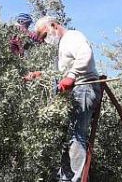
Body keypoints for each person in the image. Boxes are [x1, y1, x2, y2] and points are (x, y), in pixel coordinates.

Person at [34, 16, 101, 182]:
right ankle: (66, 178)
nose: (44, 40)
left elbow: (85, 54)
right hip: (76, 91)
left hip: (84, 87)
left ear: (53, 25)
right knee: (69, 136)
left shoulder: (72, 36)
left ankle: (76, 179)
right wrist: (40, 75)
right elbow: (61, 74)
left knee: (77, 135)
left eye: (44, 35)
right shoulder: (62, 45)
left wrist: (71, 76)